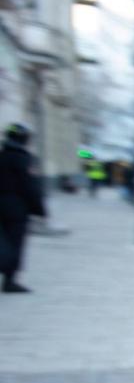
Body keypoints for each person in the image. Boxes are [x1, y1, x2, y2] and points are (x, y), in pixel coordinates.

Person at [0, 123, 47, 293]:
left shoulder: (2, 155)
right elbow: (30, 187)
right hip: (17, 209)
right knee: (15, 243)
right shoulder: (23, 159)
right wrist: (40, 210)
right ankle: (9, 280)